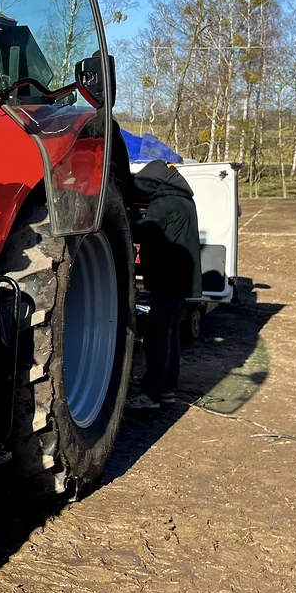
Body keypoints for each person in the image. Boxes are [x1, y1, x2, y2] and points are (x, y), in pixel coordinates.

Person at [125, 160, 202, 410]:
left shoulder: (164, 202)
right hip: (180, 282)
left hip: (166, 281)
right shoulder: (185, 200)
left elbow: (145, 231)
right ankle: (167, 389)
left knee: (157, 338)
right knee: (170, 336)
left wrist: (129, 219)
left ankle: (151, 395)